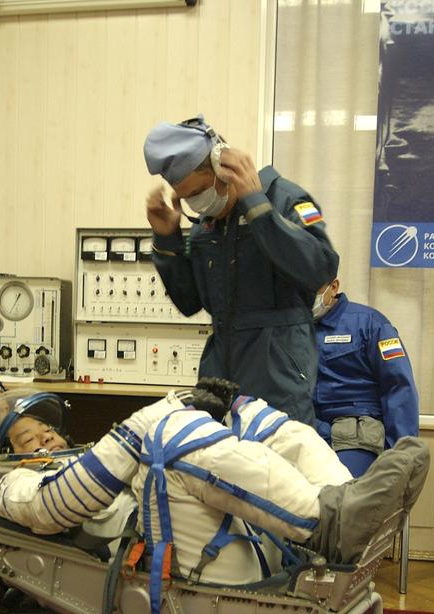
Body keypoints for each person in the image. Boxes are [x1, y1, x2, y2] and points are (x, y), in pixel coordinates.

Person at [0, 380, 429, 589]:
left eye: (48, 431)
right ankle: (327, 523)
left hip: (228, 536)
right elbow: (51, 510)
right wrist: (150, 422)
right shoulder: (15, 484)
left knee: (260, 422)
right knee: (169, 440)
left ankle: (341, 505)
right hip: (156, 555)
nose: (45, 440)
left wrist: (229, 406)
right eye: (28, 439)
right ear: (5, 456)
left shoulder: (92, 454)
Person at [142, 116, 339, 424]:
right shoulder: (206, 227)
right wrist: (167, 241)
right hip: (217, 381)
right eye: (186, 197)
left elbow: (320, 269)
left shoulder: (284, 199)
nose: (195, 204)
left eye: (198, 191)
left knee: (277, 469)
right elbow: (190, 303)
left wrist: (257, 207)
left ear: (224, 168)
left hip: (278, 377)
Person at [312, 277, 419, 477]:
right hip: (306, 428)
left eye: (313, 288)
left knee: (342, 492)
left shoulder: (371, 324)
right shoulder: (291, 329)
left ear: (333, 287)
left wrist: (400, 459)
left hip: (355, 434)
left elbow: (399, 388)